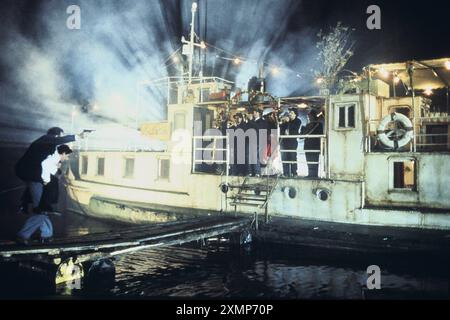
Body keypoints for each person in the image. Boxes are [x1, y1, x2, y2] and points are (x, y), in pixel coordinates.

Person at [15, 127, 83, 215]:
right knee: (42, 185)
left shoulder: (47, 143)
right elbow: (59, 141)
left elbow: (48, 159)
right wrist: (77, 136)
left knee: (38, 186)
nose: (61, 137)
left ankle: (26, 206)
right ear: (57, 134)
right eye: (61, 135)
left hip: (30, 170)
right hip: (29, 170)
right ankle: (39, 208)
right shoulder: (47, 139)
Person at [17, 144, 73, 244]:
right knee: (41, 211)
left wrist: (57, 169)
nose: (67, 158)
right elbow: (45, 166)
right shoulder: (52, 158)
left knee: (43, 211)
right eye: (67, 156)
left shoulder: (54, 159)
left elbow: (52, 172)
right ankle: (23, 235)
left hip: (39, 185)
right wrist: (47, 179)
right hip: (38, 184)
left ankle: (46, 235)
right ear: (63, 153)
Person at [301, 109, 324, 178]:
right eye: (308, 116)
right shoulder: (309, 125)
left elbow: (320, 134)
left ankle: (314, 175)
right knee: (309, 160)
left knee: (314, 161)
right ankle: (310, 174)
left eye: (309, 116)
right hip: (308, 145)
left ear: (313, 116)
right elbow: (302, 135)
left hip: (314, 146)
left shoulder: (318, 124)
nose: (308, 118)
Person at [281, 108, 302, 177]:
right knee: (285, 157)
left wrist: (287, 122)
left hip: (292, 142)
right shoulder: (286, 122)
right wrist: (284, 122)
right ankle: (286, 173)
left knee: (293, 157)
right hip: (285, 142)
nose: (290, 114)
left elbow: (295, 129)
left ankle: (294, 172)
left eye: (292, 113)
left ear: (295, 114)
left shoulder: (298, 121)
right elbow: (281, 129)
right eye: (289, 112)